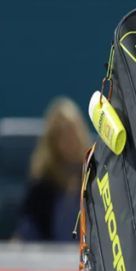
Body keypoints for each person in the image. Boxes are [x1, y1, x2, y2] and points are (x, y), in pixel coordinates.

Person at [14, 97, 91, 242]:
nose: (69, 139)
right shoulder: (40, 188)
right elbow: (26, 235)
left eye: (72, 131)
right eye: (61, 134)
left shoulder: (96, 175)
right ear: (51, 141)